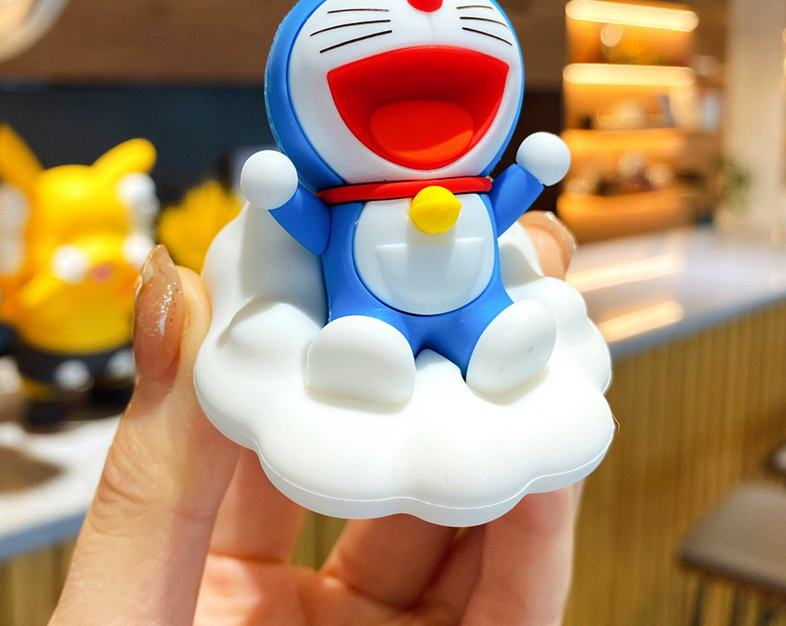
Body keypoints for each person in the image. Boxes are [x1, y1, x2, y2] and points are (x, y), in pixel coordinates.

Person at [50, 213, 581, 626]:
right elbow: (303, 218)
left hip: (460, 312)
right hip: (356, 321)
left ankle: (478, 337)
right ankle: (371, 343)